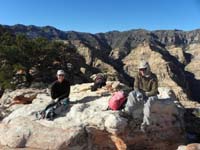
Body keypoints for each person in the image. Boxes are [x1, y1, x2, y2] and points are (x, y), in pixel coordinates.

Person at [124, 60, 158, 132]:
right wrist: (138, 92)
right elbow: (135, 86)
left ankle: (145, 123)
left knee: (148, 104)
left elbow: (154, 91)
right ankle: (127, 112)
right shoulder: (138, 75)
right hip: (141, 93)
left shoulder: (153, 77)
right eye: (140, 69)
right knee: (131, 94)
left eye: (144, 69)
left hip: (151, 94)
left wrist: (146, 94)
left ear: (147, 68)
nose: (142, 71)